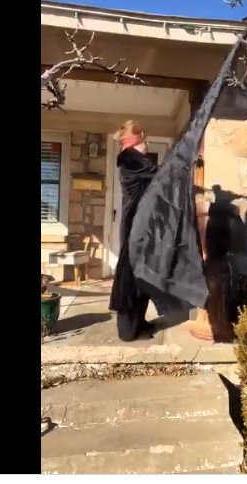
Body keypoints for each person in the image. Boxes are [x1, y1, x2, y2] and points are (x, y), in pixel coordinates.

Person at [108, 120, 158, 341]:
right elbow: (162, 174)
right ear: (138, 141)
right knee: (131, 279)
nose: (147, 146)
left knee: (142, 277)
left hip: (141, 227)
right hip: (134, 229)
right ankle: (128, 330)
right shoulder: (131, 160)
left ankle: (138, 323)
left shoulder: (135, 161)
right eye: (145, 142)